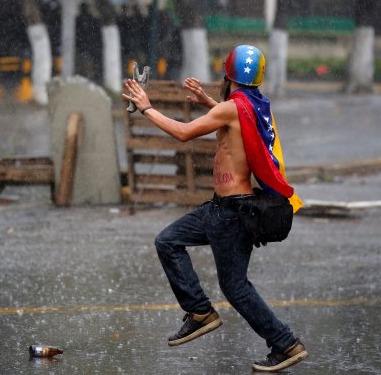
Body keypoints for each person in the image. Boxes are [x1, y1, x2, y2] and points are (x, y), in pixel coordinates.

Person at [122, 45, 309, 373]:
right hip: (223, 208)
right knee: (170, 242)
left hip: (231, 213)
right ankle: (203, 314)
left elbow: (183, 134)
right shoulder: (253, 104)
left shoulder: (231, 109)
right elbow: (237, 122)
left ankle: (281, 342)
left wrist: (146, 107)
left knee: (233, 286)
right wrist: (209, 104)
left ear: (228, 74)